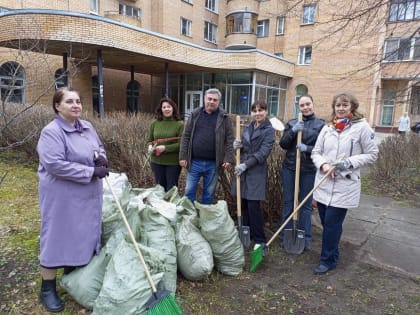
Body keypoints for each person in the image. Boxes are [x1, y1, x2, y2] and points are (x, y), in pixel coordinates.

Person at [36, 87, 108, 312]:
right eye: (69, 101)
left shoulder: (87, 127)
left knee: (80, 235)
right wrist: (90, 172)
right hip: (62, 197)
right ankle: (47, 288)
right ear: (58, 106)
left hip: (86, 197)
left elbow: (99, 148)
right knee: (57, 237)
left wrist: (102, 159)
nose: (76, 105)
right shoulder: (52, 132)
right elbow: (54, 164)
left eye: (78, 101)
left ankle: (71, 275)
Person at [311, 92, 378, 274]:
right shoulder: (327, 128)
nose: (340, 108)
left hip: (344, 185)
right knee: (327, 223)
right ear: (334, 107)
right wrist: (324, 164)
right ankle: (333, 253)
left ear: (352, 107)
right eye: (338, 105)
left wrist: (348, 163)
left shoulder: (362, 128)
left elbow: (372, 155)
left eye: (344, 105)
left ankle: (327, 261)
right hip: (324, 183)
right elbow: (316, 152)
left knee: (332, 224)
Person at [279, 95, 325, 251]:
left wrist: (308, 148)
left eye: (308, 104)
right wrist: (292, 131)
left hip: (309, 170)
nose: (305, 107)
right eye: (302, 105)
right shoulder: (292, 122)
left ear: (313, 104)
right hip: (290, 168)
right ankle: (285, 235)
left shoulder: (321, 125)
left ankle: (305, 238)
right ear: (298, 107)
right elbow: (283, 144)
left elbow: (324, 150)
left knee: (305, 205)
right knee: (289, 202)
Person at [179, 88, 235, 204]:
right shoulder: (195, 114)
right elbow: (186, 136)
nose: (211, 102)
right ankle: (189, 218)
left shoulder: (224, 117)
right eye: (209, 99)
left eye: (215, 100)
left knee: (209, 194)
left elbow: (230, 139)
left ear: (218, 102)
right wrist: (183, 156)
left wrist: (229, 158)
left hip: (213, 164)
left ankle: (205, 219)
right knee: (189, 191)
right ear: (204, 99)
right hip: (194, 162)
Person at [232, 100, 275, 248]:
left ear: (266, 112)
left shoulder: (269, 130)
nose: (257, 113)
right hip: (243, 170)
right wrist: (237, 146)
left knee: (253, 205)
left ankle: (260, 239)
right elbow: (244, 148)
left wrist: (245, 165)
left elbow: (263, 153)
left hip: (255, 170)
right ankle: (246, 234)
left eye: (261, 110)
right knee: (243, 203)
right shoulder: (248, 127)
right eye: (255, 111)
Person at [147, 97, 184, 191]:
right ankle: (161, 205)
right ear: (161, 109)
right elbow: (149, 140)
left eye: (169, 107)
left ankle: (171, 206)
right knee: (160, 189)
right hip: (157, 162)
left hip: (173, 163)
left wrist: (165, 148)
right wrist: (150, 146)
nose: (166, 109)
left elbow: (182, 144)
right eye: (164, 107)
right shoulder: (154, 123)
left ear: (173, 108)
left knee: (171, 189)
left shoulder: (179, 124)